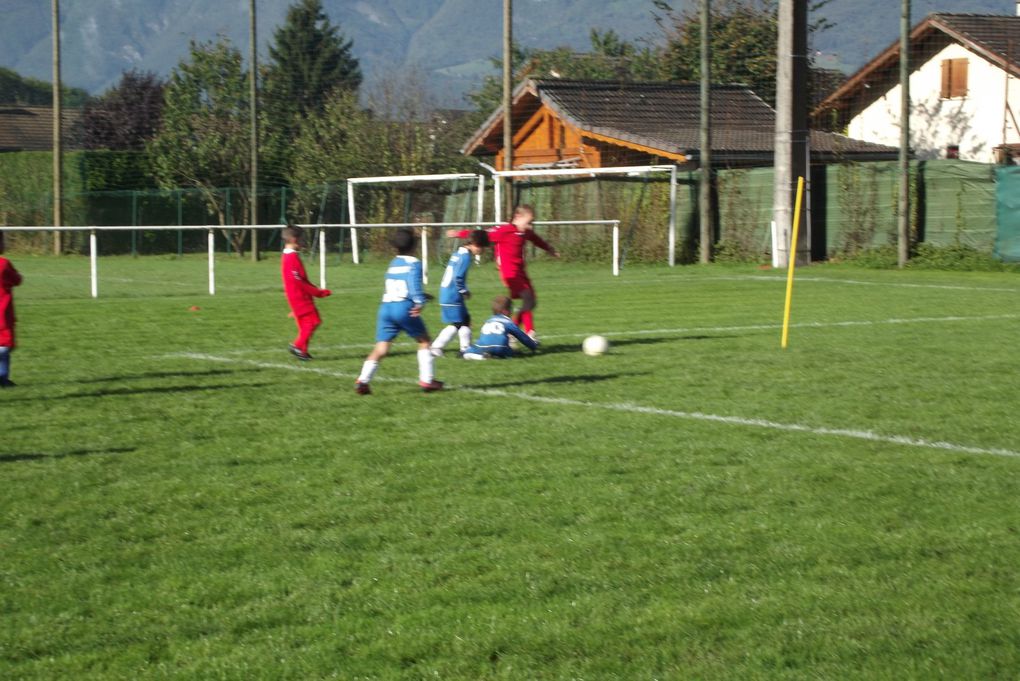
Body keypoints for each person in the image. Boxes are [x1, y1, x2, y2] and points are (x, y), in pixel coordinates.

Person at [447, 204, 557, 340]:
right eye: (528, 222)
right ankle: (526, 332)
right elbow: (480, 235)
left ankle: (515, 332)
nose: (530, 226)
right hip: (510, 273)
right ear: (517, 217)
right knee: (528, 298)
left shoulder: (525, 232)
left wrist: (549, 249)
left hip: (521, 271)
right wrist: (459, 233)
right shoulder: (504, 231)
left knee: (531, 302)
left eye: (532, 223)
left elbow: (536, 239)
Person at [355, 228, 443, 394]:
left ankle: (363, 380)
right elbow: (413, 284)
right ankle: (427, 380)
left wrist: (422, 296)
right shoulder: (414, 263)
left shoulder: (394, 262)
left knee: (381, 348)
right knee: (424, 341)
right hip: (403, 307)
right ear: (415, 245)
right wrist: (420, 302)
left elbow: (398, 284)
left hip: (386, 307)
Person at [431, 229, 490, 357]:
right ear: (475, 244)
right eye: (482, 248)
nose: (483, 251)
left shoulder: (458, 253)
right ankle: (436, 347)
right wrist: (464, 291)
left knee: (465, 319)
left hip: (448, 293)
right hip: (452, 295)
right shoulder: (465, 257)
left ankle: (465, 349)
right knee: (458, 324)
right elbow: (457, 277)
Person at [281, 224, 331, 361]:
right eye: (302, 239)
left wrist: (315, 289)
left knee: (305, 325)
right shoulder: (291, 258)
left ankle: (303, 352)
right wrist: (318, 293)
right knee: (314, 321)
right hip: (299, 297)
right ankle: (296, 346)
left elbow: (300, 279)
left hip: (297, 296)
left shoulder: (289, 256)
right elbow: (298, 281)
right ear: (294, 240)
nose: (304, 242)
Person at [462, 295, 539, 360]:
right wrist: (533, 346)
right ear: (505, 311)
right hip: (501, 348)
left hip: (483, 347)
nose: (511, 312)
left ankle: (481, 357)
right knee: (512, 352)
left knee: (467, 352)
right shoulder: (508, 322)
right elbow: (522, 337)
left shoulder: (488, 321)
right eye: (510, 309)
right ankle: (501, 355)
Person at [0, 234, 23, 388]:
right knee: (5, 346)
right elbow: (17, 280)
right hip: (2, 313)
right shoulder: (4, 264)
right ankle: (2, 378)